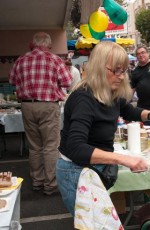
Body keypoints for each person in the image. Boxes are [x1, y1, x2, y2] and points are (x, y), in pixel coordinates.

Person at [56, 41, 150, 216]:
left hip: (92, 168)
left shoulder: (109, 92)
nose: (121, 76)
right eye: (116, 70)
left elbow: (127, 110)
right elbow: (76, 147)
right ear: (99, 68)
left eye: (124, 71)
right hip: (76, 171)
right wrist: (123, 159)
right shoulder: (83, 99)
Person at [9, 32, 73, 195]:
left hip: (27, 106)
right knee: (51, 146)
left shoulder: (21, 59)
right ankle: (50, 183)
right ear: (49, 44)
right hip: (48, 105)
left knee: (34, 146)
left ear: (33, 44)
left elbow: (12, 80)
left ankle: (37, 181)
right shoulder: (54, 59)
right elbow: (67, 81)